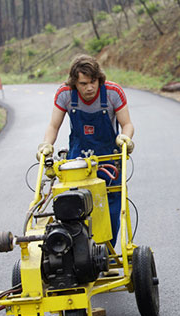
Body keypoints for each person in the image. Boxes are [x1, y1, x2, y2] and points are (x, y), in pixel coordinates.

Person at [37, 54, 135, 249]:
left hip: (109, 160)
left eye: (93, 82)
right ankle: (78, 252)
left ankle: (106, 250)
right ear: (74, 83)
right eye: (83, 83)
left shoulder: (113, 93)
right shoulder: (65, 95)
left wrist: (126, 138)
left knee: (112, 206)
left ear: (99, 78)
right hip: (78, 162)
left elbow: (127, 124)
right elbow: (53, 126)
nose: (90, 88)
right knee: (73, 204)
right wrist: (46, 146)